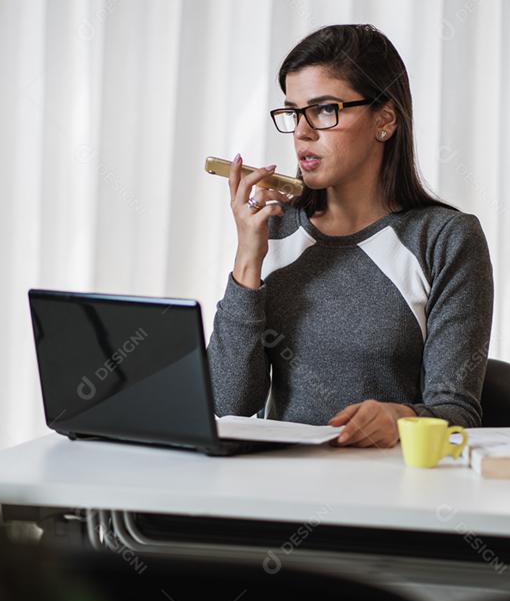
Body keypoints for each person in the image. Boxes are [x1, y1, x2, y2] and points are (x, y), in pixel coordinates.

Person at [206, 23, 493, 449]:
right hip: (275, 487)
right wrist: (247, 260)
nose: (302, 131)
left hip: (385, 496)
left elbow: (458, 414)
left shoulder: (445, 239)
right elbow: (228, 403)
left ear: (384, 120)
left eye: (324, 109)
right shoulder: (276, 228)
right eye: (293, 112)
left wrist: (401, 418)